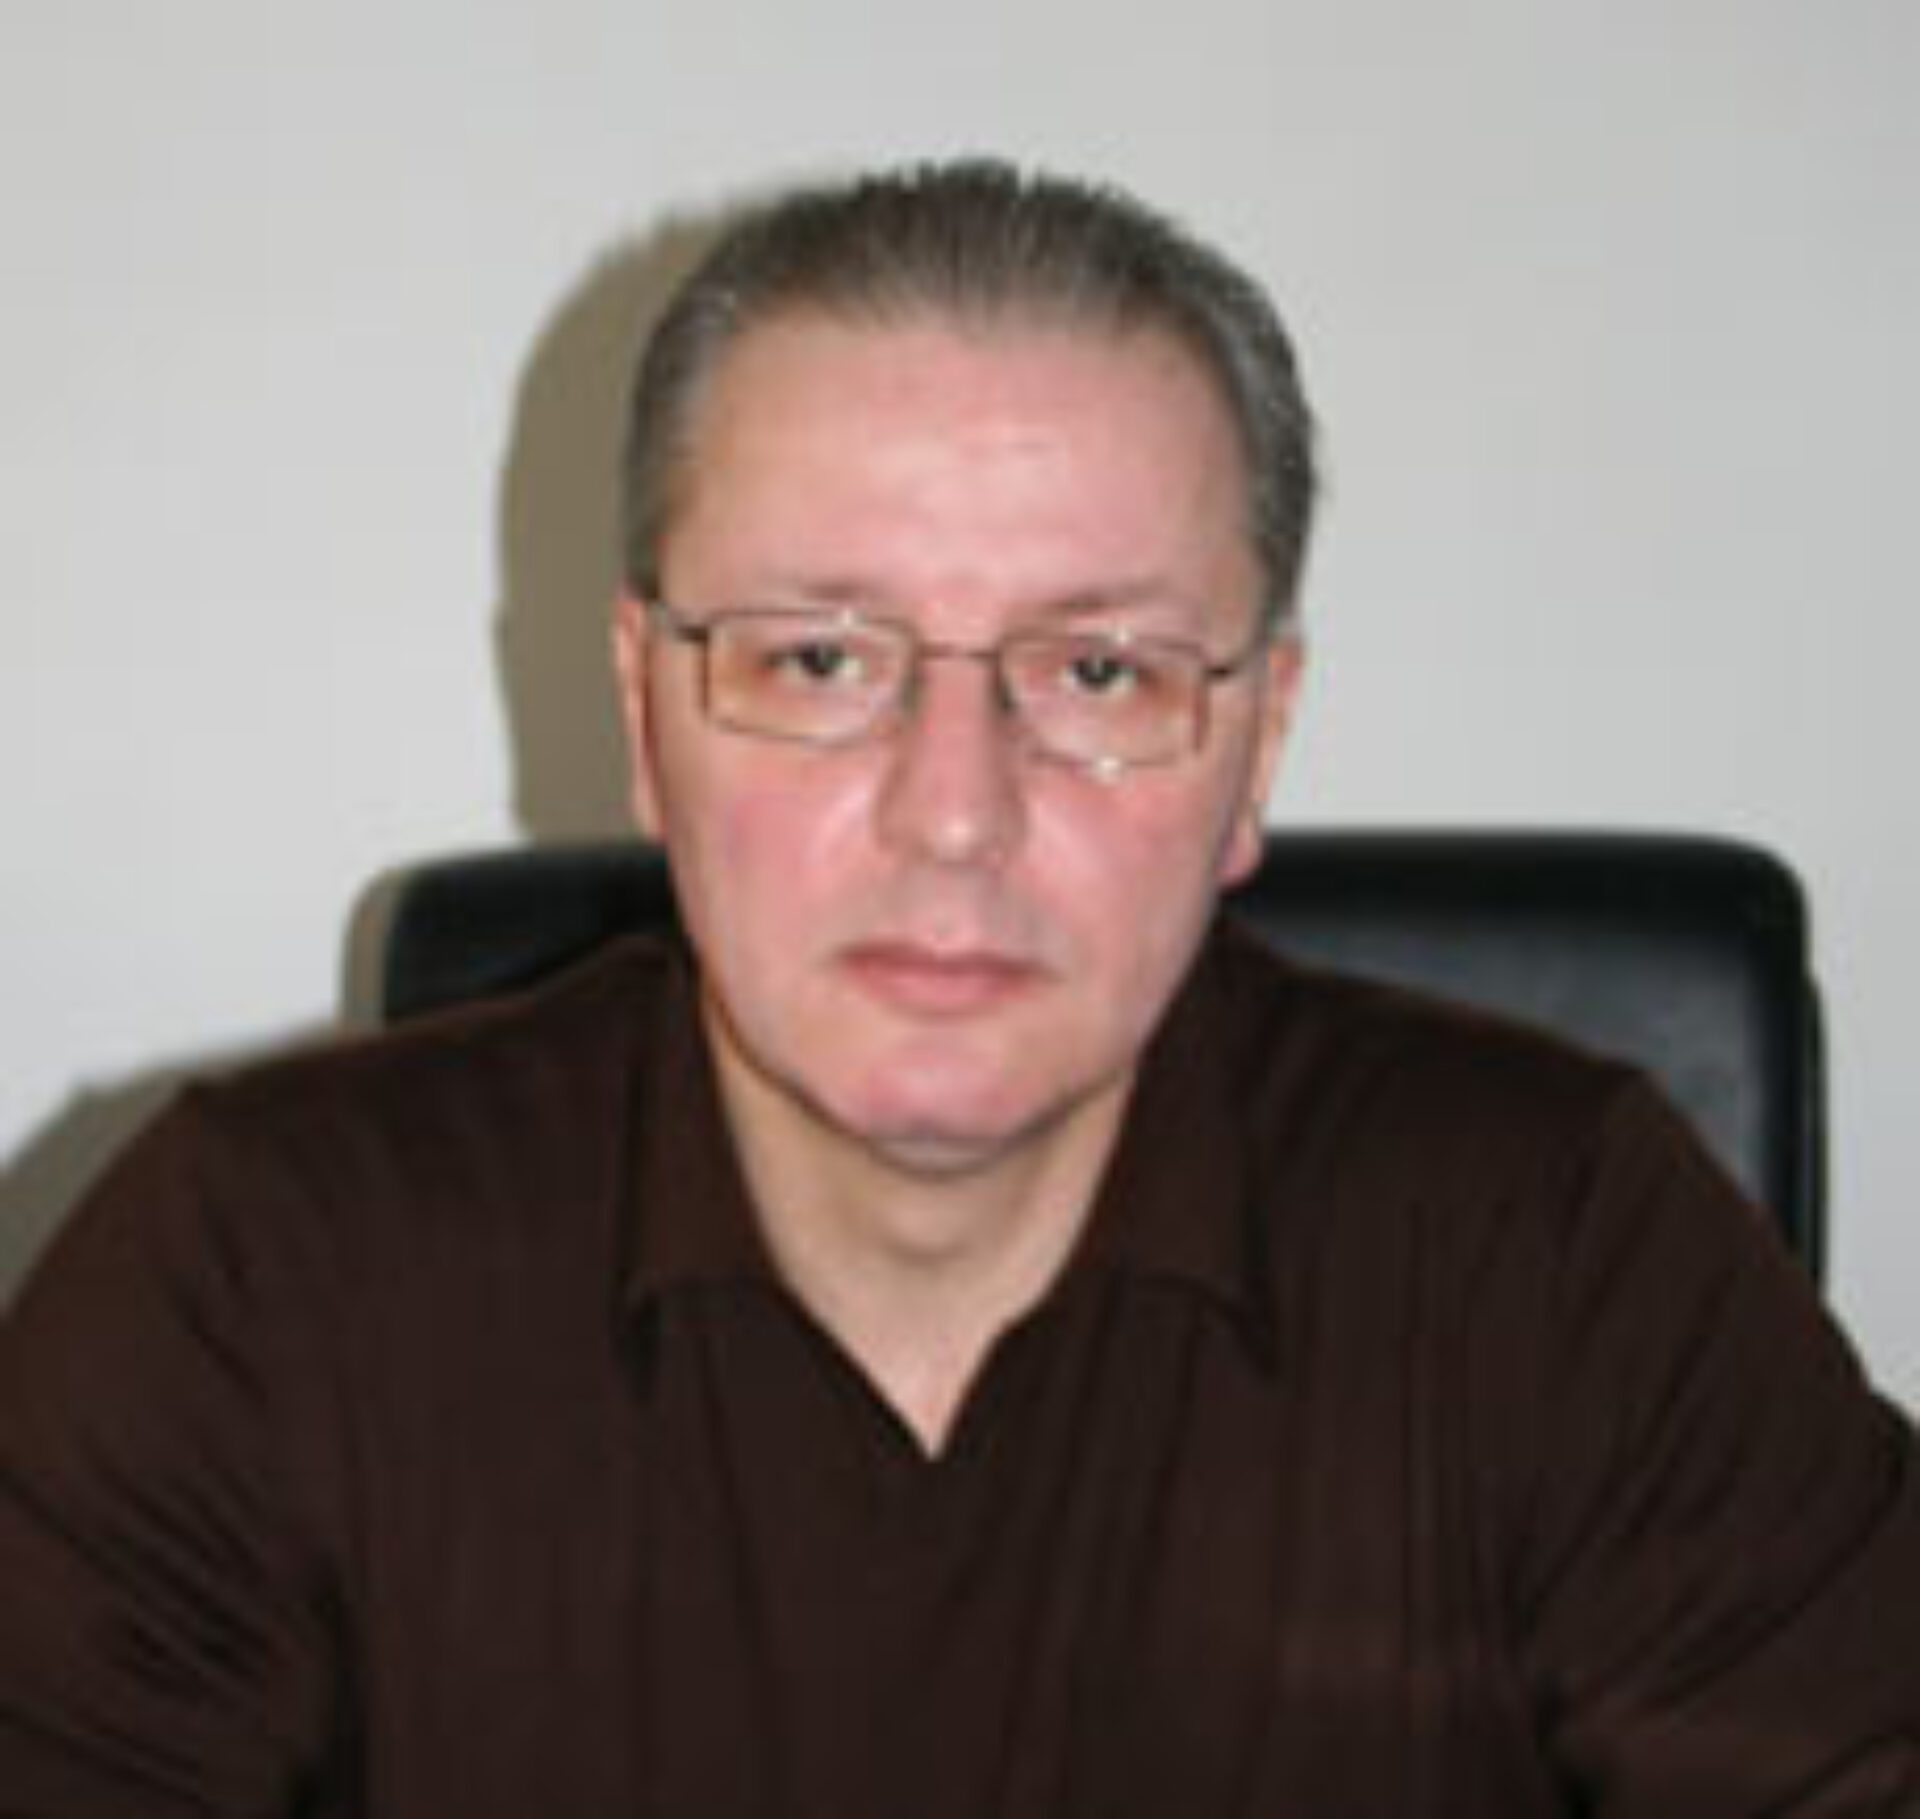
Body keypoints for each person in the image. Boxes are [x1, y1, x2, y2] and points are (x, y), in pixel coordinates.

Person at [1, 160, 1915, 1816]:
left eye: (1098, 673)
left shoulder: (1561, 1254)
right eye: (823, 659)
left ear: (1256, 746)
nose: (954, 814)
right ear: (648, 718)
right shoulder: (257, 1271)